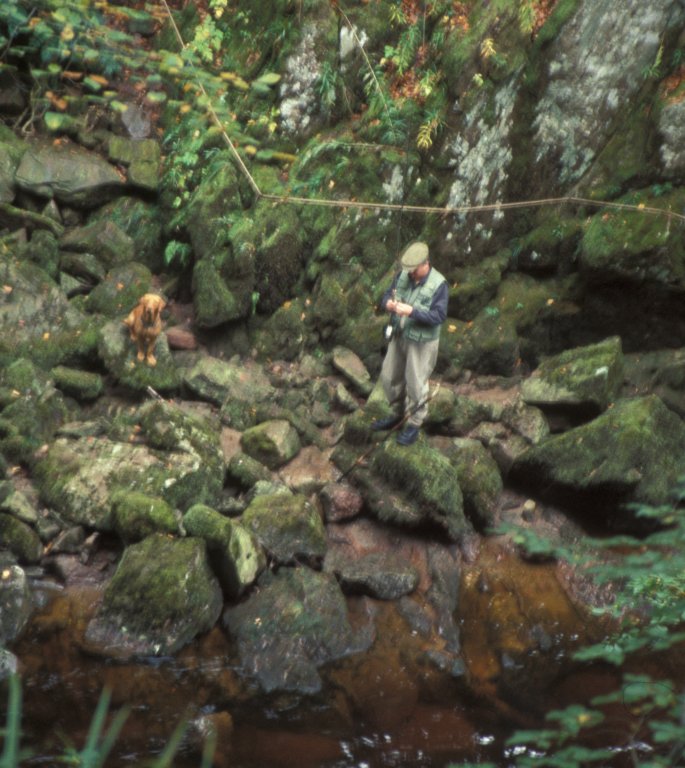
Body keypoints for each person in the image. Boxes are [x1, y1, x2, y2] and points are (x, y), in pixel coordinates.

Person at [371, 241, 448, 446]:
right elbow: (386, 295)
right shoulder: (403, 276)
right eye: (409, 270)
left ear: (425, 263)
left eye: (414, 270)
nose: (411, 273)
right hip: (399, 335)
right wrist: (388, 303)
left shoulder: (439, 284)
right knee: (389, 376)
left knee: (415, 383)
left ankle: (414, 423)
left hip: (422, 342)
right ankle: (397, 414)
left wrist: (412, 312)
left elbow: (439, 316)